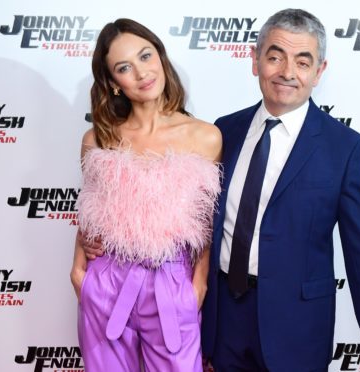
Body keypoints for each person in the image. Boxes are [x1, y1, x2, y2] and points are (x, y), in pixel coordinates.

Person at [197, 9, 360, 372]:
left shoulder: (344, 148)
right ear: (255, 61)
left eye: (303, 61)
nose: (287, 72)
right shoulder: (224, 131)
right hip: (223, 325)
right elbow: (200, 223)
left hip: (297, 329)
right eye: (275, 57)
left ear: (319, 71)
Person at [70, 18, 221, 372]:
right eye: (125, 67)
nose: (141, 73)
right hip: (108, 281)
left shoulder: (205, 137)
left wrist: (196, 287)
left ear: (161, 57)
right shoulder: (98, 140)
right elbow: (90, 210)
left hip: (171, 283)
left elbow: (205, 223)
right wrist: (80, 271)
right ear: (113, 82)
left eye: (146, 56)